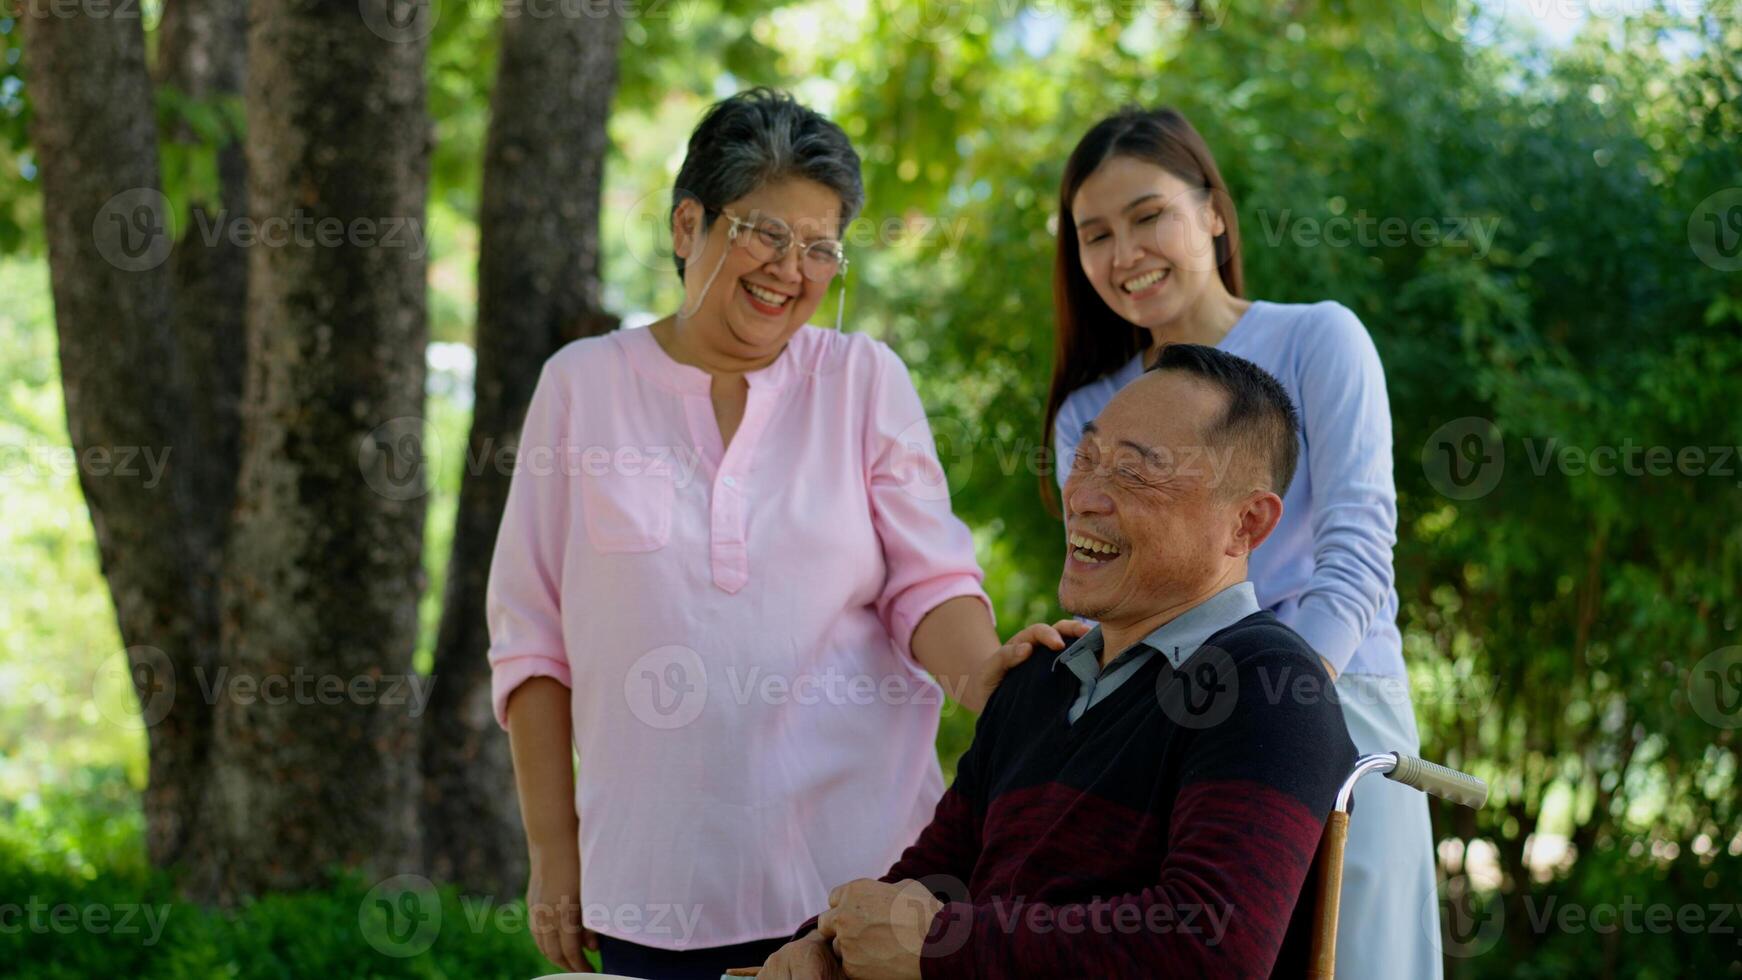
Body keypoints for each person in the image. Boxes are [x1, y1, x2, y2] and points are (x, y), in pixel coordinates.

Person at [484, 88, 1080, 979]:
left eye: (820, 248)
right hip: (655, 886)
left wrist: (982, 674)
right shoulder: (582, 386)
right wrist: (554, 851)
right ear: (689, 225)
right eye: (765, 233)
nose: (790, 269)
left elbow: (930, 581)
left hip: (861, 886)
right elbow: (532, 640)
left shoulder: (864, 380)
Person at [754, 344, 1358, 979]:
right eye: (1086, 459)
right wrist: (820, 945)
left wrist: (942, 946)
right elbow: (926, 887)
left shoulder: (1273, 687)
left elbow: (1210, 951)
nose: (1085, 497)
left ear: (1245, 525)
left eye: (1134, 472)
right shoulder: (1037, 681)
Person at [1044, 106, 1439, 980]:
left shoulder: (1317, 338)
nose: (1124, 252)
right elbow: (1112, 589)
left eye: (1149, 216)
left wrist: (1275, 710)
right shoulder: (1089, 409)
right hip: (1167, 728)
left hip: (1335, 707)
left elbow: (1359, 551)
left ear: (1213, 214)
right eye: (1094, 233)